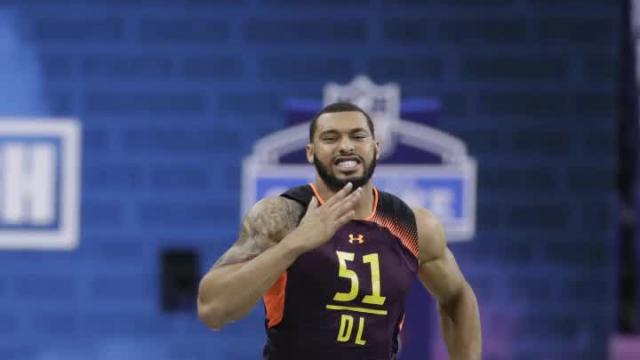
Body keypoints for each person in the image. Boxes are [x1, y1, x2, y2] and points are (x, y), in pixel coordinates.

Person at [198, 102, 482, 359]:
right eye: (330, 138)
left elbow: (458, 296)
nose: (346, 146)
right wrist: (294, 244)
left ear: (376, 147)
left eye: (358, 136)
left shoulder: (413, 226)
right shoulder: (283, 216)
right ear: (311, 152)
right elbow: (212, 309)